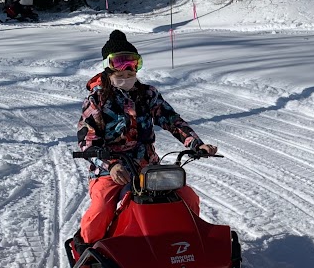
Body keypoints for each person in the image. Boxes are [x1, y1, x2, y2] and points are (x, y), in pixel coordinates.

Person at [76, 30, 217, 245]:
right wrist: (111, 165)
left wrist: (196, 144)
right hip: (111, 170)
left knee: (187, 197)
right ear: (108, 67)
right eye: (120, 68)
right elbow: (87, 142)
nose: (126, 73)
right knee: (102, 207)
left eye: (131, 66)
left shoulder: (147, 94)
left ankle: (186, 245)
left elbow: (172, 120)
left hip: (148, 168)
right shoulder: (97, 100)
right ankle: (88, 251)